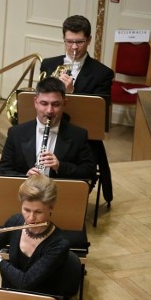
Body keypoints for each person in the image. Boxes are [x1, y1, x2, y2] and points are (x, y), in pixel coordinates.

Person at [40, 14, 114, 203]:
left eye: (79, 42)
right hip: (50, 128)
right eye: (69, 42)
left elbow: (98, 112)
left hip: (81, 137)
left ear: (88, 40)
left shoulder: (102, 73)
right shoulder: (49, 64)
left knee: (72, 181)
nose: (74, 47)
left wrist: (72, 93)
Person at [0, 77, 96, 181]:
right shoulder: (16, 133)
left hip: (61, 193)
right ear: (35, 102)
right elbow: (3, 170)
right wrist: (25, 177)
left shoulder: (78, 135)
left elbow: (89, 172)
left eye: (56, 104)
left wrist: (60, 166)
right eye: (44, 103)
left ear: (65, 104)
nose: (49, 110)